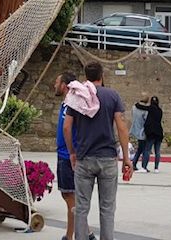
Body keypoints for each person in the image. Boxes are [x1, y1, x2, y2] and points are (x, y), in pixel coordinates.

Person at [64, 62, 131, 240]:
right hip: (108, 158)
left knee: (81, 208)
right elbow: (122, 127)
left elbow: (66, 127)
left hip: (84, 158)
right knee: (107, 209)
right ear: (102, 75)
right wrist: (126, 157)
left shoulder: (77, 96)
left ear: (86, 76)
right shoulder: (112, 95)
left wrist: (72, 152)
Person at [54, 72, 95, 240]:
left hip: (67, 155)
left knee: (71, 196)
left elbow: (67, 128)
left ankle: (70, 236)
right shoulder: (66, 104)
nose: (54, 85)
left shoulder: (72, 105)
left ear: (64, 85)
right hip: (64, 154)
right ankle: (87, 233)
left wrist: (72, 152)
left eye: (57, 82)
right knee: (68, 195)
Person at [137, 96, 164, 173]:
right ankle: (156, 168)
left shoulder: (151, 108)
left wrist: (137, 103)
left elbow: (141, 107)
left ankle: (144, 167)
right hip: (159, 132)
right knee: (157, 151)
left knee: (147, 149)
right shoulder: (160, 110)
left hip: (152, 133)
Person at [130, 94, 149, 173]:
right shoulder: (145, 109)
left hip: (135, 129)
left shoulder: (134, 107)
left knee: (140, 148)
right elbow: (146, 120)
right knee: (144, 149)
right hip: (142, 131)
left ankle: (134, 163)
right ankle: (143, 166)